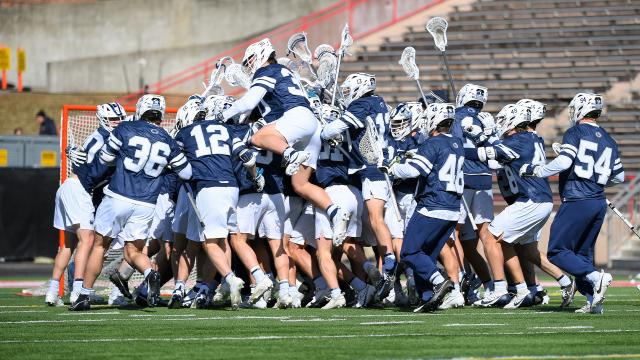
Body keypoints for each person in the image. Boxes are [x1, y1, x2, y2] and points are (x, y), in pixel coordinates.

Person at [69, 94, 192, 311]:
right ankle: (149, 272)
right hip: (147, 203)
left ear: (140, 109)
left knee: (100, 246)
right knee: (134, 251)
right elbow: (186, 172)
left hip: (118, 195)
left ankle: (83, 296)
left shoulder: (124, 129)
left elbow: (105, 159)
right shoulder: (168, 140)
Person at [220, 38, 350, 242]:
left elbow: (248, 102)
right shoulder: (285, 72)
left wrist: (222, 116)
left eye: (251, 60)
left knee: (258, 136)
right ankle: (335, 212)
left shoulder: (267, 71)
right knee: (301, 185)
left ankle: (290, 154)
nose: (249, 66)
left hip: (296, 118)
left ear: (262, 55)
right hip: (311, 124)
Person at [521, 93, 624, 314]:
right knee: (582, 255)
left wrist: (536, 171)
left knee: (557, 252)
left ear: (580, 109)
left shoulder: (575, 132)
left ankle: (597, 278)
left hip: (577, 199)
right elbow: (619, 177)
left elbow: (565, 161)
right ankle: (592, 301)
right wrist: (594, 177)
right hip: (597, 202)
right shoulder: (608, 138)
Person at [385, 102, 464, 312]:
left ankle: (439, 282)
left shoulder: (432, 143)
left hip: (433, 204)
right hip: (452, 208)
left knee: (410, 252)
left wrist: (392, 168)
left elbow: (413, 171)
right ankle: (428, 296)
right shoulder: (457, 142)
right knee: (426, 256)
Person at [46, 103, 127, 306]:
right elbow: (95, 170)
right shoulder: (104, 139)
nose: (117, 123)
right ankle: (78, 291)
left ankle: (52, 291)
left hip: (69, 187)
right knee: (87, 241)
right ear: (103, 119)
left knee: (67, 245)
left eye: (120, 119)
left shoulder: (101, 137)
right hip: (79, 189)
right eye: (113, 120)